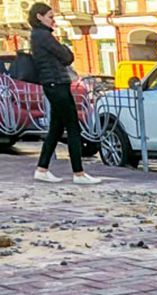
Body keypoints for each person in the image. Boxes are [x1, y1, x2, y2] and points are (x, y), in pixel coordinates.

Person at [29, 3, 100, 184]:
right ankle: (79, 173)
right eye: (50, 17)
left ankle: (42, 168)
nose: (53, 21)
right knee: (73, 127)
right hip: (56, 83)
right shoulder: (43, 36)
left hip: (53, 83)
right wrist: (65, 48)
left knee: (57, 128)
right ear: (39, 16)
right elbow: (67, 57)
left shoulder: (39, 36)